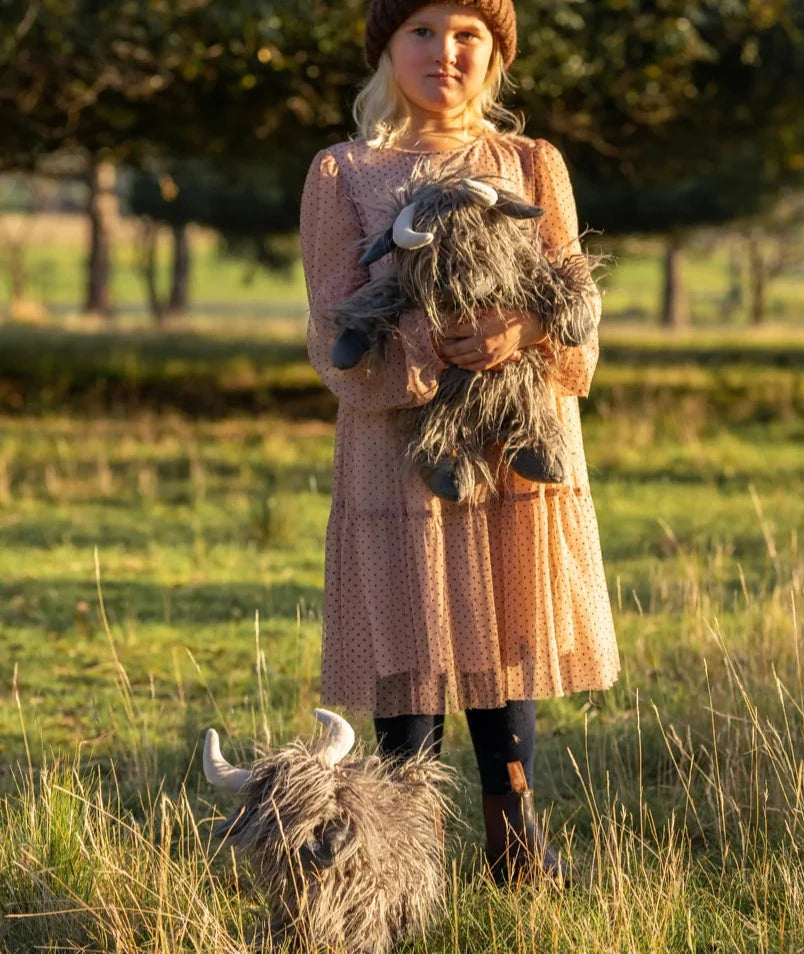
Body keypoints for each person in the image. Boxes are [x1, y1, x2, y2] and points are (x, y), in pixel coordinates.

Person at [299, 0, 620, 883]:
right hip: (398, 446)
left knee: (503, 624)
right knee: (409, 630)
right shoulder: (343, 172)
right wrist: (423, 346)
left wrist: (523, 333)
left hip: (516, 437)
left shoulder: (531, 162)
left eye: (469, 34)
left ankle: (516, 843)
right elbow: (334, 326)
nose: (447, 52)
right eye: (423, 32)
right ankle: (408, 856)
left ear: (497, 54)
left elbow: (576, 300)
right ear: (387, 51)